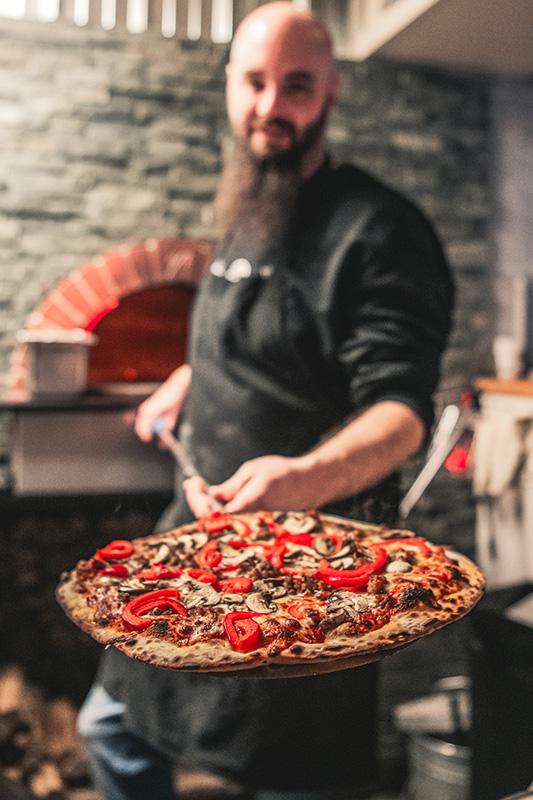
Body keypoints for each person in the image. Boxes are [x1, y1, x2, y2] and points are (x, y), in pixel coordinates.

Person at [77, 3, 454, 799]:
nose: (269, 107)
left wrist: (305, 481)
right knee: (108, 726)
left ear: (330, 93)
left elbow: (402, 411)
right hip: (200, 538)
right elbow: (253, 343)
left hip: (309, 566)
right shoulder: (253, 201)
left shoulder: (380, 230)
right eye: (254, 83)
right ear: (229, 83)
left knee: (293, 779)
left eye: (295, 86)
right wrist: (189, 381)